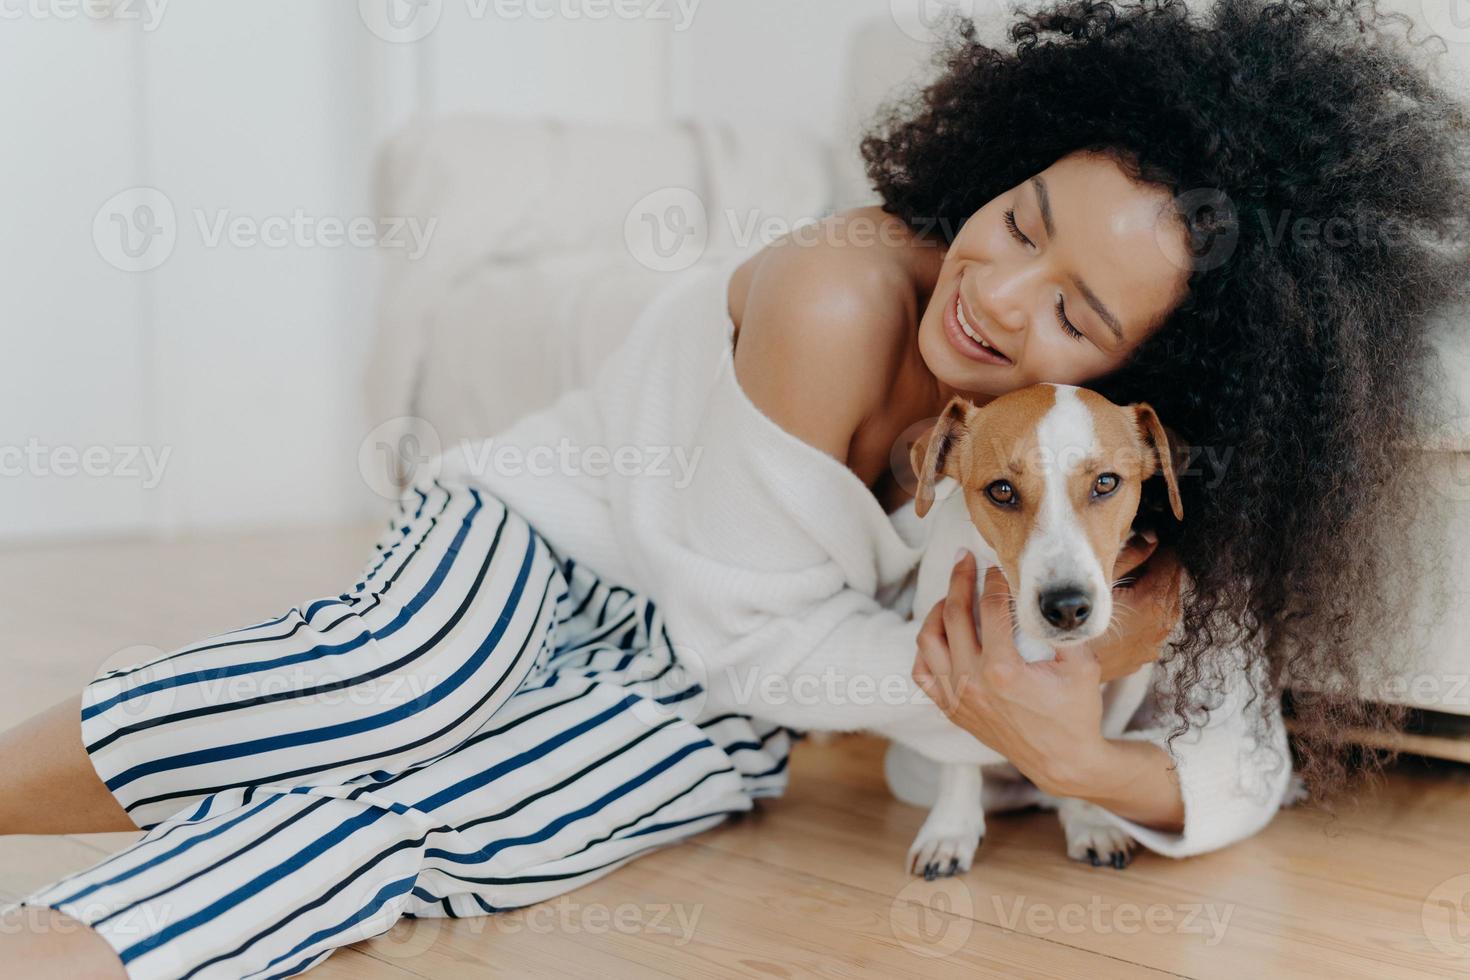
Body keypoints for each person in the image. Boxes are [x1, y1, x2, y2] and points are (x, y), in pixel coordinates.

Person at [4, 1, 1468, 976]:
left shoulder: (1123, 486)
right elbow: (749, 634)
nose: (998, 294)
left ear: (1165, 377)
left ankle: (78, 943)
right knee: (398, 686)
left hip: (732, 693)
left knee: (465, 821)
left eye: (1078, 316)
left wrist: (1078, 758)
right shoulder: (838, 296)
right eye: (1018, 220)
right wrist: (995, 689)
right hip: (571, 540)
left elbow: (1239, 759)